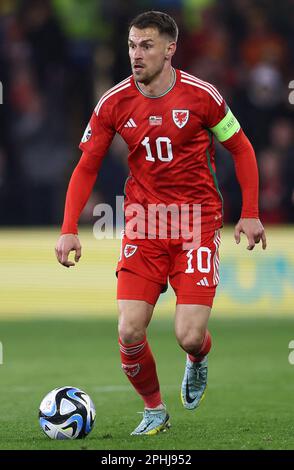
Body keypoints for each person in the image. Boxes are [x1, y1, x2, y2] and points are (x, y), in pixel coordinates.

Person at [55, 11, 267, 436]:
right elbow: (86, 166)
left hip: (197, 224)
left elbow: (242, 149)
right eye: (132, 45)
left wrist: (250, 213)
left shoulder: (203, 96)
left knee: (188, 336)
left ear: (170, 48)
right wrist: (68, 228)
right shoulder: (113, 102)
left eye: (147, 45)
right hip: (144, 224)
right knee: (129, 329)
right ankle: (154, 409)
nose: (136, 54)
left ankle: (197, 357)